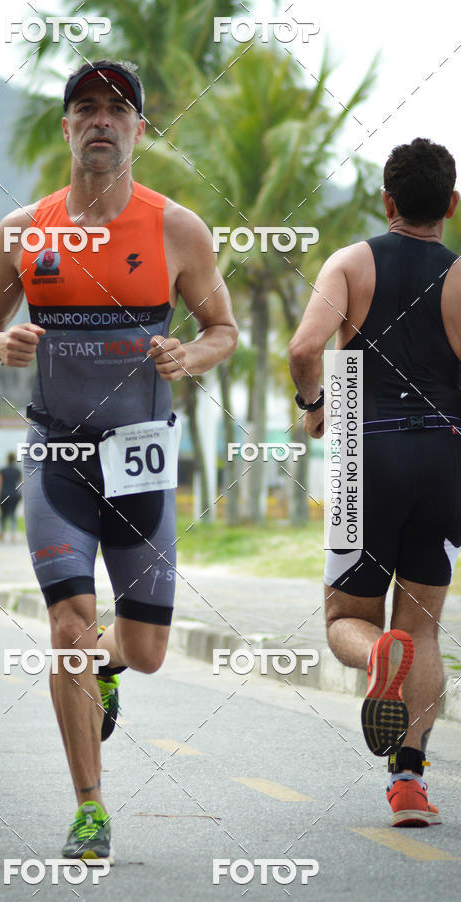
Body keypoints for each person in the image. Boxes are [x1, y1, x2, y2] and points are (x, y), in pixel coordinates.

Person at [0, 59, 237, 862]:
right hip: (57, 458)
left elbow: (222, 329)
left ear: (139, 130)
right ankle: (90, 807)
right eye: (86, 107)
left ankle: (108, 666)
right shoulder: (24, 231)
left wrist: (190, 355)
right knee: (69, 626)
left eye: (117, 108)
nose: (101, 120)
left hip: (141, 461)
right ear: (67, 128)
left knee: (145, 653)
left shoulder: (178, 229)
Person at [289, 137, 461, 828]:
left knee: (345, 619)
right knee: (424, 626)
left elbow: (305, 348)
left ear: (386, 200)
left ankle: (377, 655)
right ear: (451, 205)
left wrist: (314, 406)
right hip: (446, 459)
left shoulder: (352, 262)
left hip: (368, 454)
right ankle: (410, 783)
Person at [0, 451, 22, 542]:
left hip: (4, 494)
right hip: (14, 495)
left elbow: (0, 483)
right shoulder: (17, 471)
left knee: (3, 515)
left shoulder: (2, 470)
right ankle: (13, 534)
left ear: (7, 459)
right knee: (13, 514)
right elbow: (20, 483)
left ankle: (2, 534)